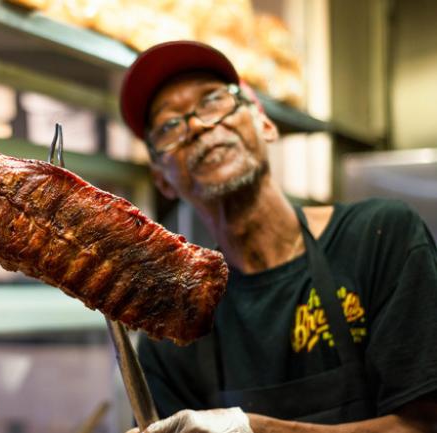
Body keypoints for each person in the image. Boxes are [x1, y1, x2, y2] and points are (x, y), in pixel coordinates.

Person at [118, 40, 437, 432]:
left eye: (214, 100)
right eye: (169, 125)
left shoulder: (380, 238)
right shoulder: (175, 326)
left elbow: (424, 425)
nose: (199, 125)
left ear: (264, 123)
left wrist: (256, 429)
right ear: (161, 179)